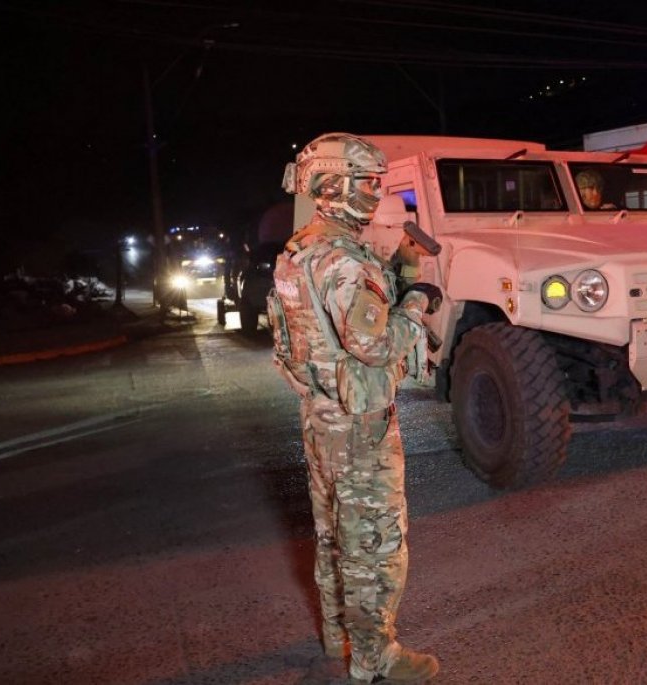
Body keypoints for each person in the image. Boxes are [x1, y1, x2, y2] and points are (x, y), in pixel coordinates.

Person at [268, 132, 441, 684]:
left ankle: (337, 634)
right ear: (332, 183)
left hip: (322, 415)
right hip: (359, 426)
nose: (375, 194)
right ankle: (374, 659)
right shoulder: (341, 258)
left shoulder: (302, 248)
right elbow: (378, 345)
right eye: (366, 182)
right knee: (374, 541)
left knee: (332, 529)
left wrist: (388, 273)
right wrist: (415, 296)